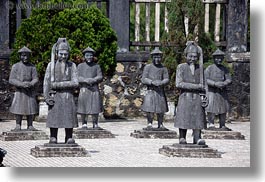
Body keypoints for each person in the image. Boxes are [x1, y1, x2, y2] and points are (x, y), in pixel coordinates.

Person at [43, 38, 79, 144]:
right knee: (54, 117)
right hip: (55, 96)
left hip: (68, 96)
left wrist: (58, 85)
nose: (63, 56)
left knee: (69, 117)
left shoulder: (72, 65)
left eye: (66, 54)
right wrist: (46, 97)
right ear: (57, 53)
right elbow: (46, 82)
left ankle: (69, 136)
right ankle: (53, 136)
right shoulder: (51, 65)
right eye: (61, 54)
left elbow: (75, 82)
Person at [174, 42, 206, 145]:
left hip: (197, 97)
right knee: (184, 117)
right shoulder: (181, 67)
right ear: (186, 56)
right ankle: (182, 137)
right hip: (185, 96)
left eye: (195, 57)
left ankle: (197, 137)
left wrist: (205, 94)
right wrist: (196, 86)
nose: (192, 58)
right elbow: (179, 83)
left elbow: (205, 85)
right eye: (190, 56)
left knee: (198, 117)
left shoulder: (200, 68)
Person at [9, 46, 39, 131]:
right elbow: (11, 79)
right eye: (23, 55)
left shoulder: (32, 67)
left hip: (29, 91)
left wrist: (31, 83)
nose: (25, 57)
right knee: (19, 108)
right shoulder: (16, 66)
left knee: (31, 108)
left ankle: (30, 125)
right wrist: (21, 84)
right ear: (20, 56)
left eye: (27, 56)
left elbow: (36, 78)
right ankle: (18, 125)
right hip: (20, 91)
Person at [141, 47, 169, 129]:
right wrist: (151, 82)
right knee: (149, 108)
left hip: (160, 91)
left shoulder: (163, 68)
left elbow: (167, 79)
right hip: (151, 90)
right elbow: (143, 78)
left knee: (161, 109)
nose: (157, 59)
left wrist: (161, 82)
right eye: (155, 57)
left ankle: (160, 123)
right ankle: (149, 123)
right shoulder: (148, 67)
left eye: (159, 57)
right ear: (152, 57)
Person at [205, 49, 232, 129]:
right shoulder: (209, 68)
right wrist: (214, 83)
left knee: (223, 108)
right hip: (212, 91)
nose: (219, 60)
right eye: (217, 58)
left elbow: (229, 79)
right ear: (214, 59)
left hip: (222, 91)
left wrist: (224, 83)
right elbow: (205, 79)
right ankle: (211, 124)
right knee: (211, 107)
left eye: (220, 58)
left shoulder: (225, 69)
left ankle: (222, 124)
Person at [77, 46, 103, 129]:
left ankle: (95, 123)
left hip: (94, 89)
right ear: (84, 56)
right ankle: (84, 123)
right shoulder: (80, 66)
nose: (89, 57)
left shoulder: (96, 66)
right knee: (83, 107)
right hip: (84, 89)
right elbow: (77, 77)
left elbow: (100, 76)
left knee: (95, 106)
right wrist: (85, 80)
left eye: (91, 55)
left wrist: (93, 80)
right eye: (87, 55)